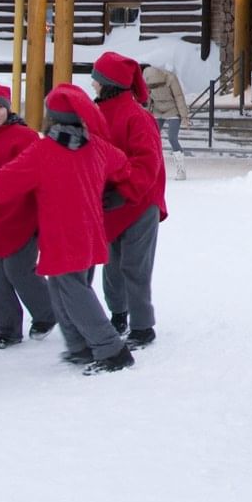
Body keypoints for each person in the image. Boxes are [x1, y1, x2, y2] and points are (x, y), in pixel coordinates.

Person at [0, 84, 138, 375]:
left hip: (63, 235)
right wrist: (117, 191)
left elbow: (7, 179)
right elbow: (123, 165)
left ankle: (111, 350)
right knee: (65, 289)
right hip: (90, 231)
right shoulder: (97, 146)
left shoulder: (43, 151)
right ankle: (79, 346)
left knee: (73, 291)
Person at [0, 82, 57, 350]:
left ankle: (47, 311)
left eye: (0, 108)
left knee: (19, 270)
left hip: (22, 216)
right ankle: (4, 329)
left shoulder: (24, 137)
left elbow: (37, 178)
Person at [93, 52, 167, 348]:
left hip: (139, 202)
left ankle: (142, 325)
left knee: (135, 266)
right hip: (109, 203)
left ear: (107, 83)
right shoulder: (96, 114)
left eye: (97, 80)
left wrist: (124, 192)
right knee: (111, 264)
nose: (93, 86)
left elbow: (148, 164)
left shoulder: (138, 117)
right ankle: (119, 313)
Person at [144, 62, 190, 153]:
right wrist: (146, 115)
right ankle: (154, 159)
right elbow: (148, 100)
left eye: (156, 85)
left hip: (172, 110)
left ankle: (180, 158)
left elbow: (179, 97)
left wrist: (184, 117)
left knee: (172, 138)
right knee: (152, 137)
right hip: (158, 110)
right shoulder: (147, 81)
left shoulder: (171, 78)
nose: (154, 87)